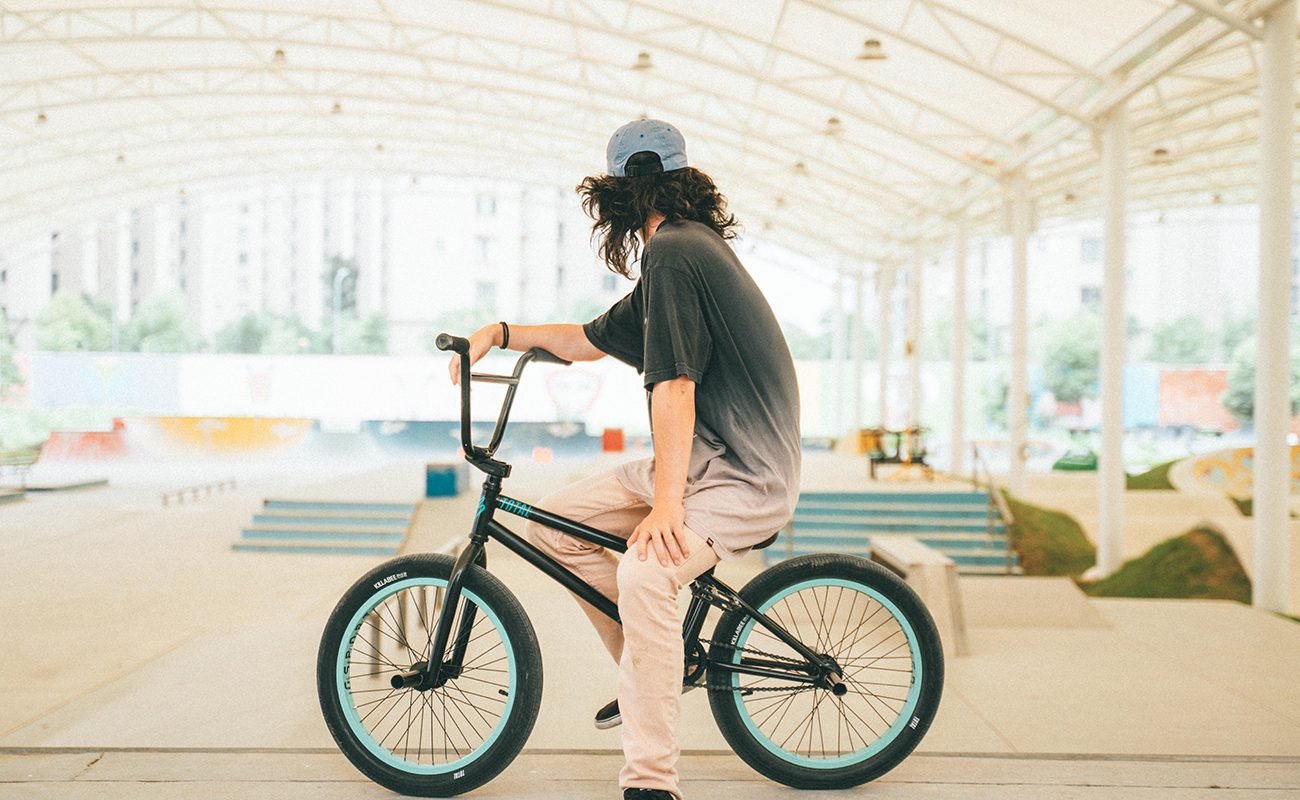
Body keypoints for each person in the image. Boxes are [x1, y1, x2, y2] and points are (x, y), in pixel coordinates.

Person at [446, 119, 802, 800]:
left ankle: (651, 780)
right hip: (706, 460)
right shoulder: (680, 253)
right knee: (553, 525)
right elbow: (585, 340)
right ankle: (652, 672)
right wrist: (500, 331)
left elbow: (674, 384)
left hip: (747, 474)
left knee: (644, 576)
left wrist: (666, 506)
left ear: (618, 198)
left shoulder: (675, 254)